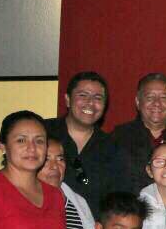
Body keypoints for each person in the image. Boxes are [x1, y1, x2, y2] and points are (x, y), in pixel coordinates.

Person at [45, 71, 131, 217]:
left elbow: (119, 201)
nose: (90, 103)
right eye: (83, 95)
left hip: (92, 228)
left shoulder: (113, 148)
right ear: (67, 100)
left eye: (98, 98)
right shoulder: (43, 133)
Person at [112, 72, 166, 195]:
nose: (157, 103)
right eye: (150, 97)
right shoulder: (120, 136)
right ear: (138, 102)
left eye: (163, 97)